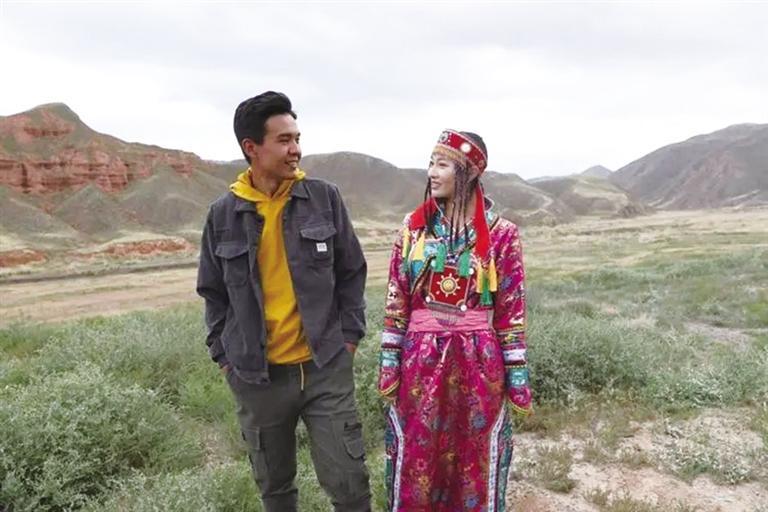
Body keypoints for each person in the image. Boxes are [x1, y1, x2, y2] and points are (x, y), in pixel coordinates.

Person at [197, 91, 371, 512]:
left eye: (297, 138)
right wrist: (225, 358)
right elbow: (213, 293)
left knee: (349, 485)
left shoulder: (324, 198)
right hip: (257, 378)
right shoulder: (222, 215)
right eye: (284, 140)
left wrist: (348, 339)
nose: (296, 149)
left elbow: (352, 272)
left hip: (324, 367)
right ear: (251, 148)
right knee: (275, 491)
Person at [378, 129, 532, 511]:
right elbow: (396, 298)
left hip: (479, 365)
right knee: (417, 457)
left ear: (470, 172)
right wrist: (389, 361)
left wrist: (516, 376)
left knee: (474, 457)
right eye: (431, 163)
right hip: (420, 364)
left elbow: (511, 309)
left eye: (443, 164)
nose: (432, 172)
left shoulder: (502, 235)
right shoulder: (413, 230)